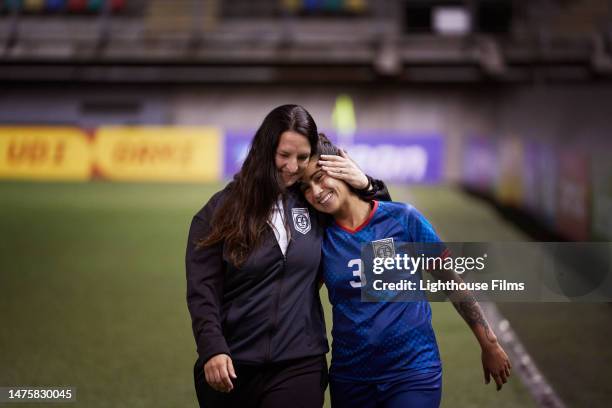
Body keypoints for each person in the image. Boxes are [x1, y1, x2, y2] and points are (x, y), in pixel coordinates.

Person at [185, 105, 390, 408]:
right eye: (284, 155)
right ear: (265, 149)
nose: (293, 167)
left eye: (302, 157)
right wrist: (213, 349)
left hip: (300, 362)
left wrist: (367, 184)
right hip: (232, 364)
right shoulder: (218, 212)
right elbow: (202, 292)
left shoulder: (314, 205)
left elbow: (377, 225)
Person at [300, 135, 512, 408]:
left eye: (320, 177)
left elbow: (452, 283)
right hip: (350, 378)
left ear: (342, 169)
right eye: (306, 187)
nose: (316, 191)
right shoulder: (320, 240)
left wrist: (489, 343)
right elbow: (299, 299)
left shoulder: (403, 219)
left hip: (413, 372)